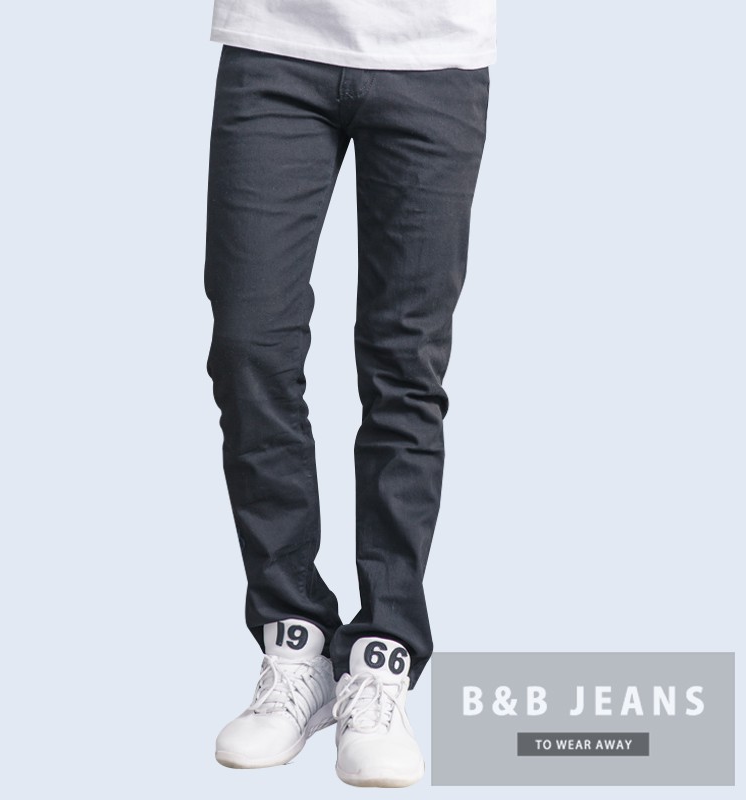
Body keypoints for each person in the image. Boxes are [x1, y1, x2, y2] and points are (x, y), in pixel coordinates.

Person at [204, 0, 496, 788]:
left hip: (435, 57)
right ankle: (293, 638)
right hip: (275, 43)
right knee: (249, 347)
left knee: (405, 366)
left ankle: (381, 654)